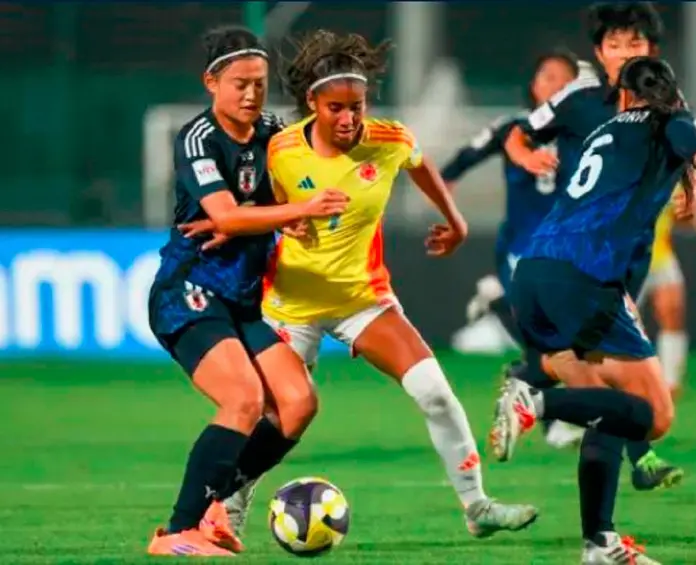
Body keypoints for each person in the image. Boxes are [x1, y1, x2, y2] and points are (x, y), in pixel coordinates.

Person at [185, 29, 541, 539]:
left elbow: (422, 169)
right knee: (277, 415)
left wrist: (454, 220)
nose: (350, 118)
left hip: (363, 299)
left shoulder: (389, 139)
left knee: (436, 394)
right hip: (290, 305)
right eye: (337, 108)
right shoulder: (280, 149)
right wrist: (268, 220)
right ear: (313, 103)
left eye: (358, 106)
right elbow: (248, 207)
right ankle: (231, 508)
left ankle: (477, 506)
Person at [503, 55, 696, 563]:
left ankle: (599, 544)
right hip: (583, 277)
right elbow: (689, 143)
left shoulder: (606, 127)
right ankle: (535, 402)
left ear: (623, 95)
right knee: (653, 414)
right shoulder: (670, 118)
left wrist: (691, 178)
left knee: (611, 409)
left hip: (535, 272)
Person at [145, 26, 349, 557]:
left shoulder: (275, 132)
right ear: (211, 82)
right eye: (240, 83)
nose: (252, 94)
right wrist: (283, 215)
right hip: (187, 291)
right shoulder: (197, 138)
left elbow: (276, 198)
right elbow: (226, 214)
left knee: (299, 402)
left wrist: (279, 220)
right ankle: (174, 534)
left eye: (259, 83)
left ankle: (216, 502)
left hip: (240, 300)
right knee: (243, 398)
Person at [492, 1, 686, 492]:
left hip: (626, 255)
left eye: (635, 43)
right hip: (584, 261)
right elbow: (518, 135)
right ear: (598, 52)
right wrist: (528, 156)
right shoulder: (579, 97)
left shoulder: (662, 97)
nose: (624, 53)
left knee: (605, 386)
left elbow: (688, 151)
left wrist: (693, 191)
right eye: (614, 44)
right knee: (629, 395)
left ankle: (532, 379)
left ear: (652, 49)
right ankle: (542, 394)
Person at [440, 49, 587, 447]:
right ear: (533, 86)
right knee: (550, 335)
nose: (554, 83)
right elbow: (465, 157)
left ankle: (500, 309)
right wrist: (445, 185)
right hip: (522, 247)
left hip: (570, 251)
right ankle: (554, 421)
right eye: (546, 75)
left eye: (563, 77)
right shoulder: (514, 127)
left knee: (567, 339)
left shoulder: (585, 132)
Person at [635, 185, 696, 398]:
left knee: (672, 313)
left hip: (661, 257)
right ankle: (626, 381)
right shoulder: (624, 167)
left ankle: (670, 383)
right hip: (628, 262)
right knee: (625, 326)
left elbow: (678, 213)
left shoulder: (673, 175)